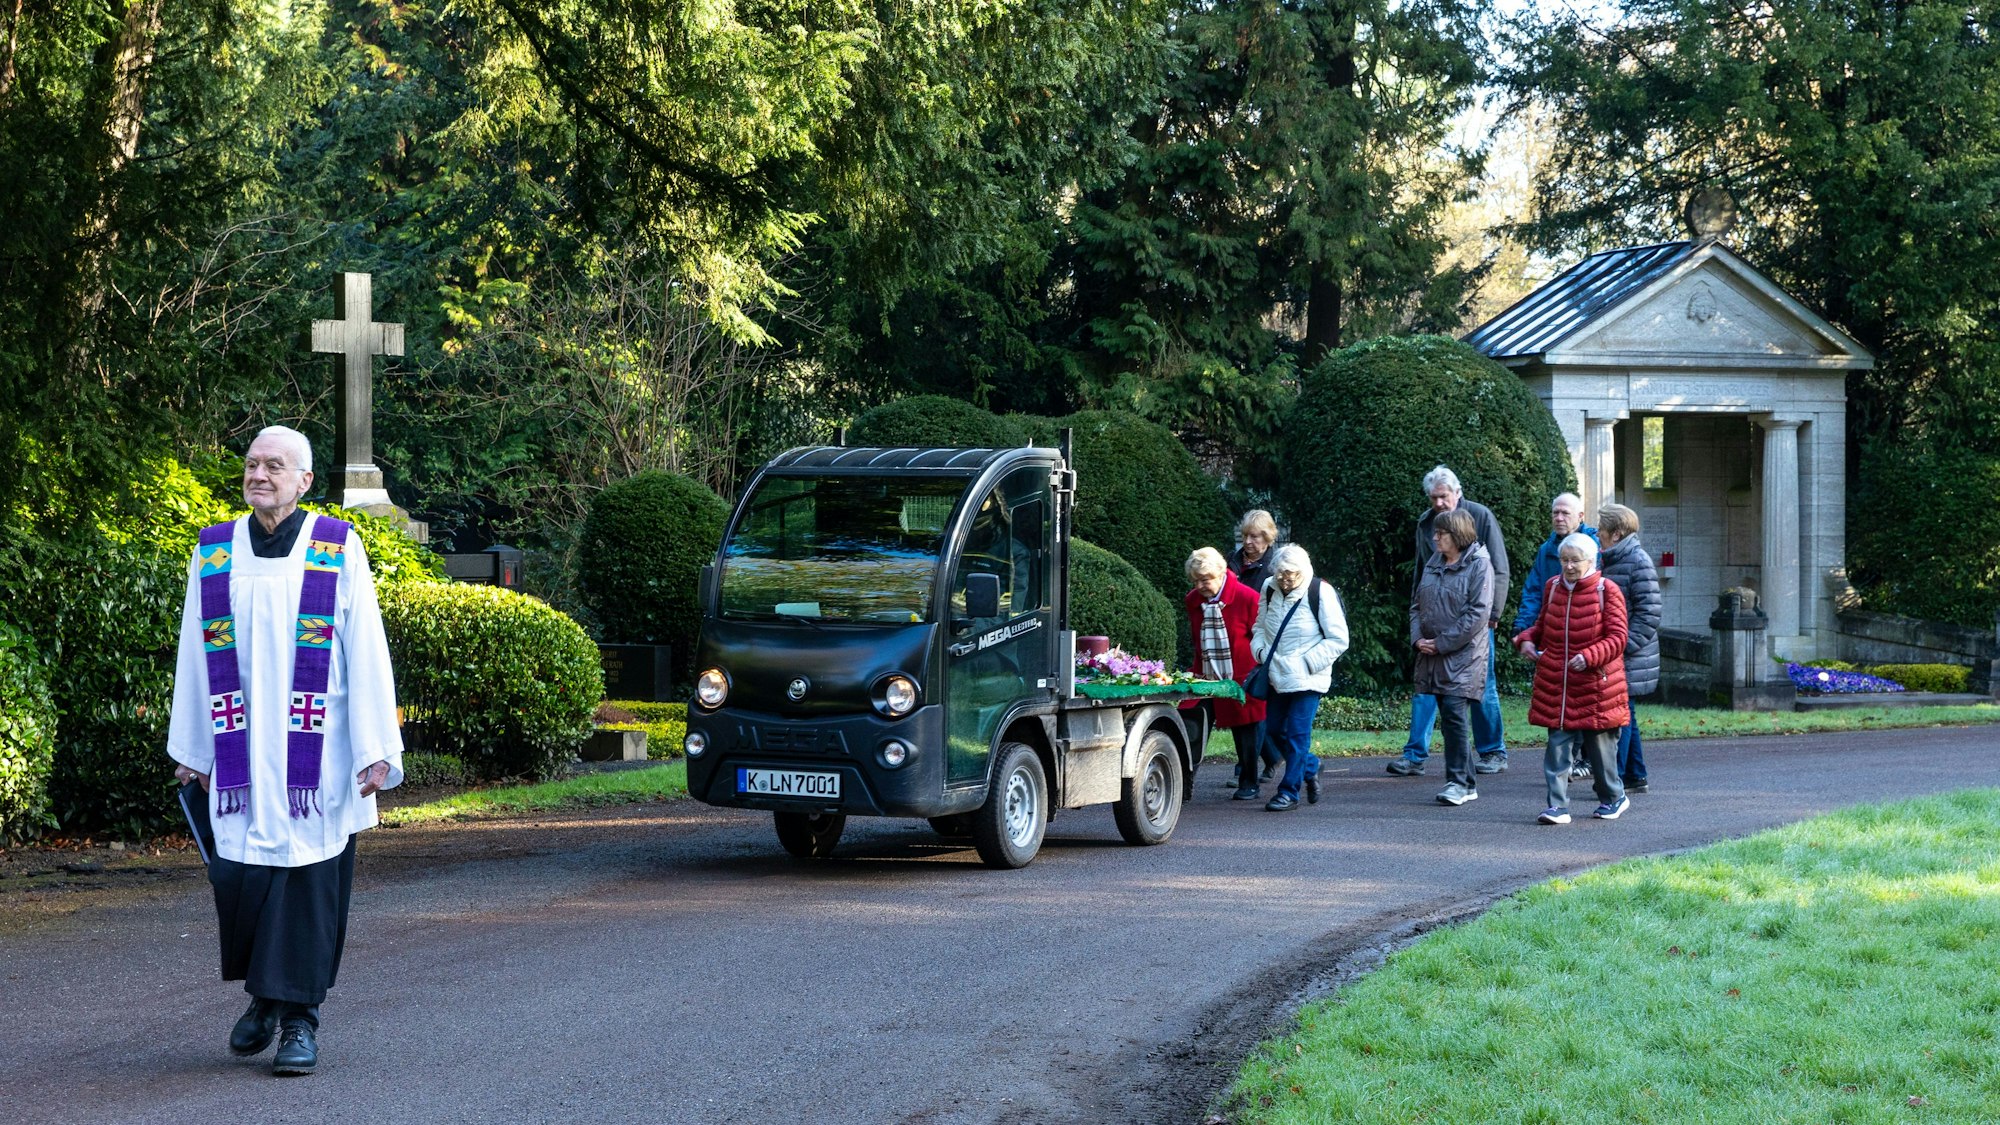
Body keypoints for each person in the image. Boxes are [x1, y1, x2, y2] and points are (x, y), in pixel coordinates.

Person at [166, 426, 404, 1076]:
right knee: (244, 878)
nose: (259, 474)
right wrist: (193, 747)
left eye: (275, 465)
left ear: (303, 481)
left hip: (317, 755)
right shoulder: (215, 552)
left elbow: (366, 646)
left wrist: (375, 745)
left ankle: (298, 1021)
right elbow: (194, 649)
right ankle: (266, 998)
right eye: (252, 464)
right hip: (240, 752)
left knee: (308, 884)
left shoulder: (336, 546)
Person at [1386, 466, 1510, 777]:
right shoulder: (1426, 523)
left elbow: (1498, 568)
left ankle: (1492, 751)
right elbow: (1421, 568)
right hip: (1433, 619)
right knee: (1425, 686)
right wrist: (1417, 612)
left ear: (1457, 492)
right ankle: (1414, 755)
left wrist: (1493, 614)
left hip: (1473, 621)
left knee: (1483, 685)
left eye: (1444, 496)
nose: (1439, 502)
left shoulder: (1480, 516)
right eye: (1434, 497)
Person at [1512, 533, 1630, 825]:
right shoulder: (1553, 587)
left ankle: (1613, 797)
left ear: (1591, 561)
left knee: (1601, 754)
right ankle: (1557, 806)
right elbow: (1543, 625)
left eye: (1574, 560)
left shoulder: (1608, 590)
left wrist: (1590, 657)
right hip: (1558, 685)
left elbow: (1618, 638)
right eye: (1564, 560)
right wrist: (1527, 639)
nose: (1568, 566)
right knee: (1557, 748)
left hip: (1596, 687)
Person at [1250, 545, 1350, 812]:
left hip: (1308, 677)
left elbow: (1339, 640)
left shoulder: (1320, 592)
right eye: (1281, 574)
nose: (1286, 580)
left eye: (1292, 575)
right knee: (1273, 731)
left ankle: (1289, 792)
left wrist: (1306, 663)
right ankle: (1311, 765)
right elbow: (1259, 626)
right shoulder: (1269, 588)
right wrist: (1260, 651)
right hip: (1276, 673)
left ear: (1304, 570)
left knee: (1297, 734)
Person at [1510, 493, 1600, 782]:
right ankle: (1566, 767)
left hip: (1587, 638)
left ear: (1580, 516)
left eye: (1565, 513)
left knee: (1587, 700)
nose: (1559, 518)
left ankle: (1591, 763)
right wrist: (1524, 633)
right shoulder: (1546, 550)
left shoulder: (1594, 547)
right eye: (1555, 513)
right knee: (1561, 701)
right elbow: (1534, 592)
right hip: (1556, 637)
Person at [1409, 508, 1494, 807]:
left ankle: (1459, 783)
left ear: (1457, 535)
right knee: (1449, 719)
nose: (1434, 538)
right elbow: (1416, 605)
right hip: (1433, 653)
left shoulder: (1480, 565)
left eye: (1440, 533)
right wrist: (1418, 638)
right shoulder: (1434, 562)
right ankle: (1464, 781)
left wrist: (1441, 643)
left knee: (1455, 717)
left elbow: (1477, 615)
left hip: (1463, 657)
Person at [1183, 548, 1268, 801]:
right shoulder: (1193, 600)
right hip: (1205, 673)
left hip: (1242, 675)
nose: (1200, 586)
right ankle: (1183, 785)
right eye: (1195, 580)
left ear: (1221, 573)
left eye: (1205, 579)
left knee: (1247, 731)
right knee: (1190, 721)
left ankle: (1250, 782)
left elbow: (1260, 637)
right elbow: (1196, 638)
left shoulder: (1248, 598)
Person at [1595, 503, 1662, 794]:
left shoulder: (1638, 561)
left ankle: (1616, 780)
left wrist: (1620, 648)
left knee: (1619, 716)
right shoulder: (1611, 559)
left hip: (1628, 655)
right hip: (1622, 653)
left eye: (1601, 529)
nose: (1597, 534)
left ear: (1616, 533)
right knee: (1627, 714)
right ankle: (1636, 775)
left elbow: (1649, 614)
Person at [1227, 510, 1285, 781]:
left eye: (1256, 536)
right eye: (1246, 536)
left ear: (1268, 538)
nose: (1248, 542)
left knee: (1256, 704)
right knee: (1248, 704)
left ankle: (1250, 766)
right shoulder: (1232, 562)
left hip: (1266, 640)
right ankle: (1270, 758)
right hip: (1238, 642)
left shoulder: (1277, 565)